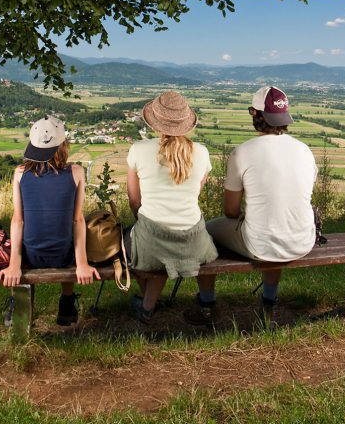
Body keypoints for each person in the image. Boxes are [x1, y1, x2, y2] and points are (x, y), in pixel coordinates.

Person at [189, 86, 318, 326]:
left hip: (260, 243)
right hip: (303, 240)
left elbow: (230, 211)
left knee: (202, 231)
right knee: (271, 225)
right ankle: (269, 302)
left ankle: (206, 305)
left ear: (256, 115)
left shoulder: (242, 152)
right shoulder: (304, 150)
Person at [0, 116, 99, 325]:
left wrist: (14, 265)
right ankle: (67, 302)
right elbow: (77, 220)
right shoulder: (77, 172)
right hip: (64, 255)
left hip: (32, 254)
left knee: (23, 241)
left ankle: (17, 303)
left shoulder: (19, 173)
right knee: (69, 236)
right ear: (63, 144)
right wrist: (82, 264)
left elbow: (18, 221)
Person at [127, 91, 217, 323]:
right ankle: (207, 302)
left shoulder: (139, 149)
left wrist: (147, 224)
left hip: (152, 243)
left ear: (154, 121)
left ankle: (147, 306)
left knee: (135, 246)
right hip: (193, 242)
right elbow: (194, 194)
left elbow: (134, 201)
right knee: (170, 250)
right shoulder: (202, 152)